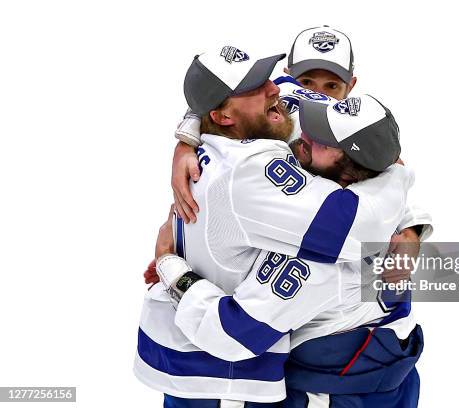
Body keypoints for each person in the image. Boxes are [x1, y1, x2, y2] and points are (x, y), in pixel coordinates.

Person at [134, 45, 418, 406]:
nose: (302, 135)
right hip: (213, 376)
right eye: (257, 85)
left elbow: (235, 330)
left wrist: (169, 265)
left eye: (322, 137)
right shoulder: (268, 173)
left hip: (328, 372)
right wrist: (186, 133)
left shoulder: (317, 244)